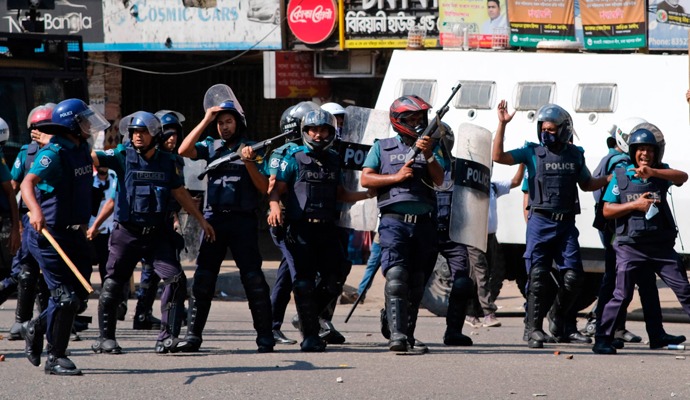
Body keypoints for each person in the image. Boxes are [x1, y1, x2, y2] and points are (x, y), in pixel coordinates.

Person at [91, 111, 215, 355]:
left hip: (157, 234)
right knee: (113, 284)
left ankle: (167, 337)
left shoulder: (167, 162)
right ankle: (106, 338)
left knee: (176, 279)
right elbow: (93, 157)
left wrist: (201, 220)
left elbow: (179, 193)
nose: (137, 136)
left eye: (143, 132)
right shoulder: (121, 155)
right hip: (127, 233)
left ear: (155, 135)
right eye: (134, 132)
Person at [492, 100, 608, 349]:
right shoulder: (531, 153)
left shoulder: (575, 154)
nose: (547, 133)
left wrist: (609, 178)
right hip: (540, 222)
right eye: (544, 128)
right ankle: (532, 329)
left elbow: (587, 184)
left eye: (552, 129)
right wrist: (502, 125)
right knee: (538, 276)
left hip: (566, 224)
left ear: (564, 129)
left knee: (574, 277)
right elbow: (498, 156)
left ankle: (559, 319)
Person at [174, 98, 274, 353]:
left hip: (243, 221)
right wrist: (206, 118)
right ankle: (193, 336)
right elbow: (183, 150)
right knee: (203, 279)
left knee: (253, 279)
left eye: (228, 122)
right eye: (220, 123)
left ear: (238, 123)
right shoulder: (211, 146)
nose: (224, 127)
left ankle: (265, 336)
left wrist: (249, 161)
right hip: (214, 220)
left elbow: (264, 188)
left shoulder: (253, 148)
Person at [268, 109, 373, 352]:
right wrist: (273, 207)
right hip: (300, 229)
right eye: (313, 130)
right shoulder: (292, 158)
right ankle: (310, 336)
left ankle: (307, 317)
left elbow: (342, 194)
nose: (318, 134)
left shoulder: (335, 159)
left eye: (323, 130)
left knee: (336, 276)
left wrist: (369, 194)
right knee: (302, 283)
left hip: (327, 229)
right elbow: (276, 190)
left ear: (331, 132)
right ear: (305, 132)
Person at [20, 98, 109, 375]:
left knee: (79, 295)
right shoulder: (55, 153)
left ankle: (35, 326)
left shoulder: (82, 149)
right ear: (71, 124)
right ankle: (55, 358)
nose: (88, 125)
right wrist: (34, 211)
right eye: (83, 120)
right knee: (65, 298)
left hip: (75, 235)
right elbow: (27, 182)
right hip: (50, 236)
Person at [593, 125, 690, 354]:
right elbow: (607, 210)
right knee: (622, 294)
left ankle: (657, 336)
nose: (644, 154)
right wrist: (634, 205)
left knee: (684, 290)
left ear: (656, 153)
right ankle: (602, 339)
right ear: (632, 152)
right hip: (630, 246)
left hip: (661, 247)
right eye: (640, 150)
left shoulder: (661, 173)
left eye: (649, 150)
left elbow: (683, 177)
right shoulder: (621, 176)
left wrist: (653, 173)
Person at [360, 95, 444, 353]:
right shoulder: (381, 147)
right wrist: (396, 177)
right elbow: (366, 179)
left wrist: (429, 155)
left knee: (417, 282)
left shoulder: (433, 148)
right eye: (412, 118)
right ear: (399, 121)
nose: (418, 123)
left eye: (420, 118)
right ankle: (396, 336)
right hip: (394, 222)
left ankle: (408, 333)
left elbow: (440, 180)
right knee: (397, 277)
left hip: (423, 223)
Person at [586, 118, 648, 344]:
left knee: (620, 278)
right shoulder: (620, 163)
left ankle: (616, 327)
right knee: (615, 278)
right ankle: (603, 325)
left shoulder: (610, 158)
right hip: (618, 229)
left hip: (614, 227)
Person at [268, 102, 319, 346]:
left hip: (306, 225)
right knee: (297, 274)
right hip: (286, 223)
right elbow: (273, 187)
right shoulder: (286, 152)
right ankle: (299, 328)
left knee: (287, 274)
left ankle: (272, 325)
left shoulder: (312, 150)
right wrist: (275, 206)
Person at [131, 110, 187, 331]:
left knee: (168, 271)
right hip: (147, 222)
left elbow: (177, 191)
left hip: (167, 221)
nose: (171, 139)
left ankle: (172, 312)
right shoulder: (148, 158)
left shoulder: (173, 160)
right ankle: (142, 313)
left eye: (175, 134)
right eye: (167, 134)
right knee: (148, 271)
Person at [5, 106, 51, 341]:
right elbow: (14, 185)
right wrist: (17, 223)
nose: (37, 132)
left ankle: (49, 320)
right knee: (26, 272)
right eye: (34, 127)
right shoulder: (26, 153)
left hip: (52, 218)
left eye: (43, 127)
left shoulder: (60, 153)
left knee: (50, 274)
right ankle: (21, 321)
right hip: (28, 218)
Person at [466, 163, 525, 328]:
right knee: (482, 273)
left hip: (490, 237)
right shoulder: (470, 186)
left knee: (480, 275)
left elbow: (515, 182)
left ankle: (471, 312)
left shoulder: (492, 186)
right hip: (474, 235)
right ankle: (488, 313)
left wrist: (523, 164)